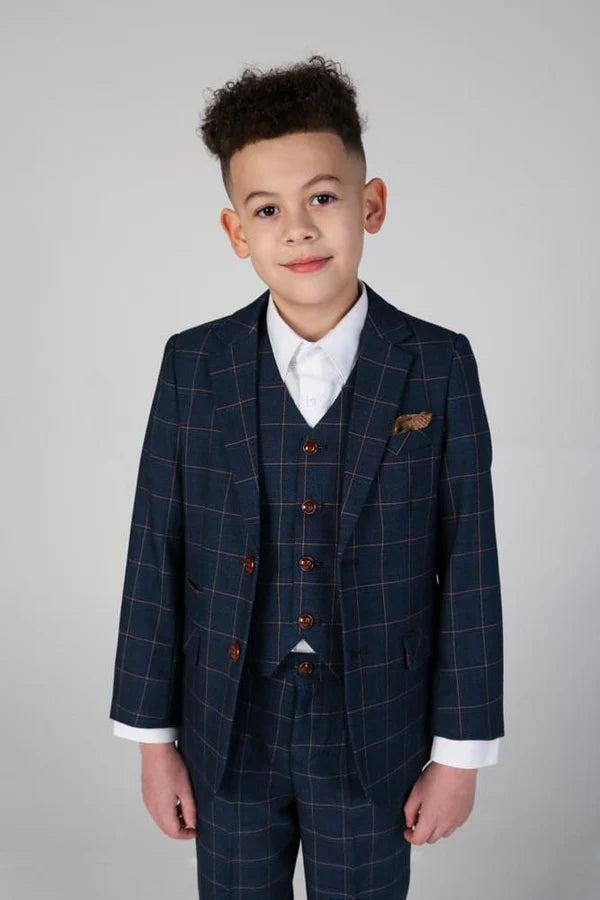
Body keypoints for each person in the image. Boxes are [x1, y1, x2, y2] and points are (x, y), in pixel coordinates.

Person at [109, 54, 504, 899]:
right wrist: (154, 740)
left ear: (372, 205)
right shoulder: (194, 366)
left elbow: (470, 561)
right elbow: (157, 549)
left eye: (322, 198)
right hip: (229, 726)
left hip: (376, 733)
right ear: (234, 232)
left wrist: (458, 756)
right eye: (267, 209)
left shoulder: (437, 364)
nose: (298, 228)